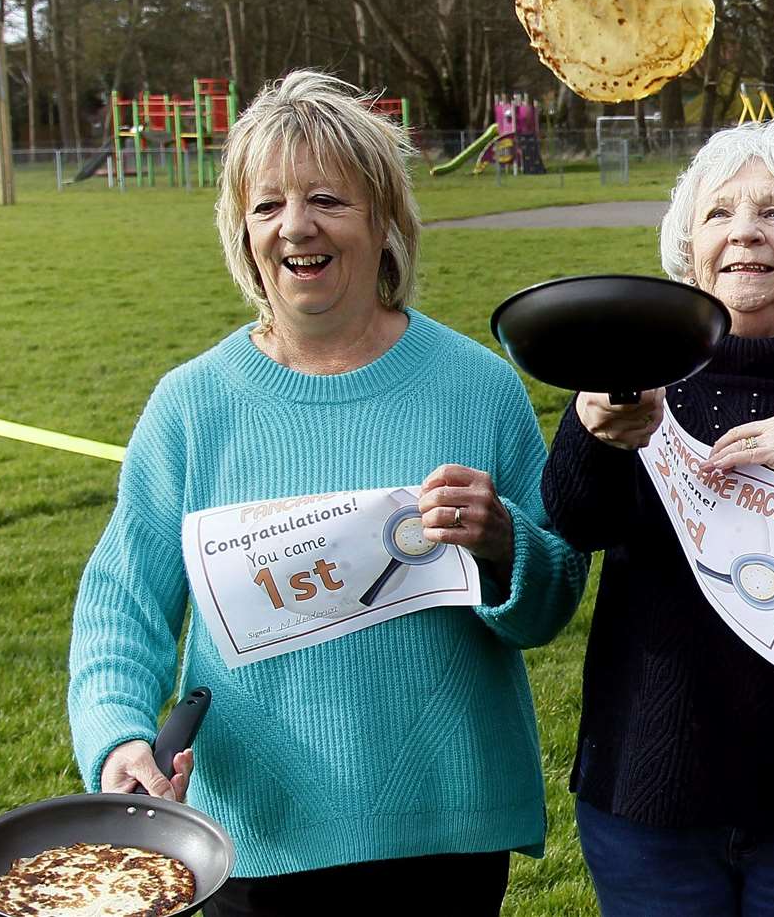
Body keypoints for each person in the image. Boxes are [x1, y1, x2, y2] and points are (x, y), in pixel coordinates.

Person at [66, 70, 590, 914]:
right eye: (267, 205)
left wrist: (503, 543)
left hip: (443, 830)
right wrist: (120, 734)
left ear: (384, 221)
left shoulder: (477, 387)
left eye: (326, 200)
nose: (296, 227)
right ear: (242, 229)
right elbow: (121, 602)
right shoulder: (192, 406)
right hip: (255, 837)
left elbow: (551, 602)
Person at [540, 116, 774, 917]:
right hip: (651, 794)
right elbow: (576, 521)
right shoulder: (636, 385)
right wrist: (595, 438)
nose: (744, 233)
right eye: (718, 214)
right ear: (688, 249)